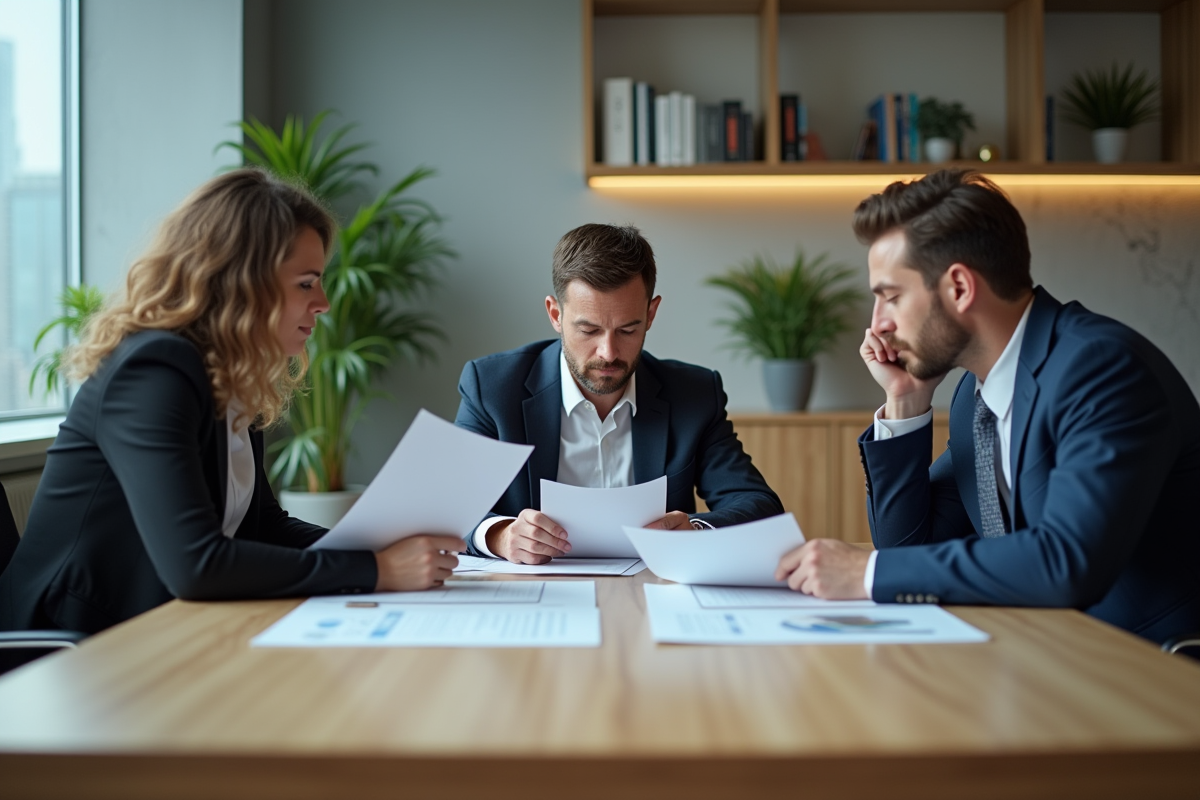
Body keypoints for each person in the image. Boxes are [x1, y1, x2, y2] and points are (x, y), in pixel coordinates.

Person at [0, 169, 463, 634]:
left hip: (162, 629)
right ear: (242, 281)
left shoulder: (232, 375)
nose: (322, 302)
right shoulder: (153, 370)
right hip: (70, 645)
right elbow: (196, 565)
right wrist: (379, 570)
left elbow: (264, 525)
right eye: (306, 283)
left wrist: (379, 552)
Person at [774, 168, 1200, 644]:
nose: (878, 326)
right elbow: (911, 546)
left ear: (959, 287)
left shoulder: (1100, 370)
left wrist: (865, 572)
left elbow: (1066, 564)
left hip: (1152, 668)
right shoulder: (974, 399)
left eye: (890, 297)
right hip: (1048, 655)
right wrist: (906, 400)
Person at [454, 223, 783, 564]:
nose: (608, 352)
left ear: (650, 313)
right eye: (589, 330)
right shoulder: (493, 388)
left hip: (654, 594)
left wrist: (696, 531)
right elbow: (450, 504)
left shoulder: (695, 394)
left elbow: (758, 505)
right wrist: (500, 535)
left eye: (627, 329)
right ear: (555, 314)